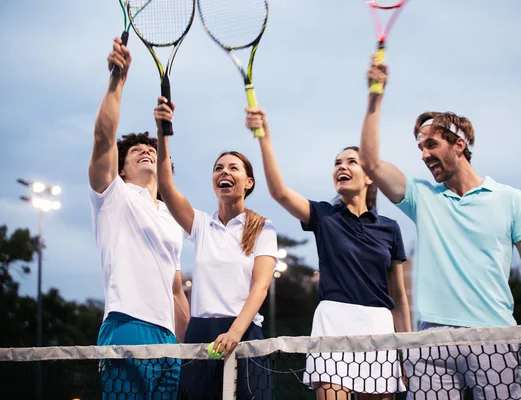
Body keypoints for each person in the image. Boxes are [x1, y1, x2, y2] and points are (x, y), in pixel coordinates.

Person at [359, 57, 521, 399]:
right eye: (419, 147)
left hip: (496, 338)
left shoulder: (509, 198)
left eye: (431, 144)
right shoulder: (421, 196)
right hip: (431, 341)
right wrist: (375, 97)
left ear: (459, 145)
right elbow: (371, 163)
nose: (423, 154)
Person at [245, 108, 411, 399]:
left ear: (370, 175)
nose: (341, 167)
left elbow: (398, 296)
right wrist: (264, 138)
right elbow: (280, 192)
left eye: (351, 161)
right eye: (337, 163)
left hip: (380, 329)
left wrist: (408, 351)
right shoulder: (323, 216)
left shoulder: (390, 228)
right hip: (333, 323)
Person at [154, 98, 278, 400]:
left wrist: (235, 332)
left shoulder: (263, 227)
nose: (225, 171)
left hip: (244, 333)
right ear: (213, 181)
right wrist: (163, 132)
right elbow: (166, 186)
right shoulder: (199, 224)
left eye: (234, 168)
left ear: (248, 182)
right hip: (201, 334)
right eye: (218, 168)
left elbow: (260, 288)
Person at [89, 38, 190, 398]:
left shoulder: (168, 215)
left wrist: (185, 345)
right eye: (136, 151)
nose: (146, 151)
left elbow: (176, 289)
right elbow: (103, 138)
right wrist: (118, 81)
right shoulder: (112, 195)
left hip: (167, 339)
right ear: (122, 167)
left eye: (152, 149)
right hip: (127, 324)